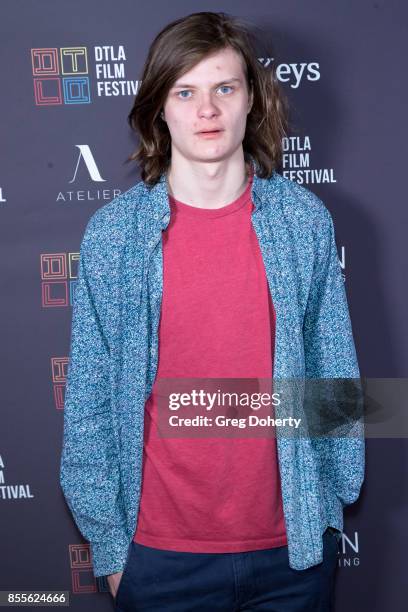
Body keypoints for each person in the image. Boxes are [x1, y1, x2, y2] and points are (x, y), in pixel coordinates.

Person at [60, 11, 365, 611]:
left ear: (251, 99)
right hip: (158, 558)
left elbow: (336, 380)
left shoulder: (303, 222)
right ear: (159, 109)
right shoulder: (115, 235)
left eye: (225, 88)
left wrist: (328, 505)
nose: (207, 110)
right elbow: (90, 400)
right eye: (186, 91)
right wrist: (112, 547)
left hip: (293, 555)